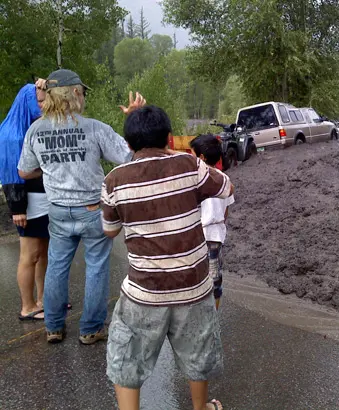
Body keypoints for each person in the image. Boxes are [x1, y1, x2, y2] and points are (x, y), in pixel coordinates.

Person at [101, 106, 231, 410]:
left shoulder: (114, 180)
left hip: (145, 291)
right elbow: (227, 186)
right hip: (193, 287)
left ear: (128, 144)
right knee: (197, 351)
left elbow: (109, 231)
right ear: (170, 138)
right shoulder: (189, 164)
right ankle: (202, 408)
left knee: (127, 356)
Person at [18, 69, 146, 344]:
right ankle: (91, 329)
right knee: (97, 267)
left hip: (58, 210)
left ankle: (53, 327)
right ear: (75, 93)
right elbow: (127, 156)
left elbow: (25, 171)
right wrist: (133, 118)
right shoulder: (93, 128)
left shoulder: (36, 129)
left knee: (56, 267)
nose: (84, 96)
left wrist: (52, 169)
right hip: (92, 210)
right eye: (83, 92)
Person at [0, 82, 48, 320]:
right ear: (27, 101)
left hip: (43, 198)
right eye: (39, 101)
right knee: (29, 255)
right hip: (26, 201)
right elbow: (9, 173)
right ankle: (27, 307)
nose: (43, 105)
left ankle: (43, 299)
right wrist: (17, 208)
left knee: (43, 252)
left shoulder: (33, 126)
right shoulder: (12, 134)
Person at [190, 134, 235, 310]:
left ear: (201, 158)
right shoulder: (224, 179)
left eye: (193, 154)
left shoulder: (196, 180)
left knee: (196, 277)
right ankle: (213, 313)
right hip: (216, 236)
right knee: (214, 277)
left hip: (200, 235)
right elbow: (226, 210)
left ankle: (200, 313)